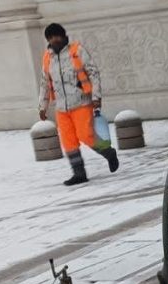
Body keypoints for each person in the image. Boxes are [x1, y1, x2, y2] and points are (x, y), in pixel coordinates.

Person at [38, 23, 119, 186]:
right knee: (68, 141)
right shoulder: (47, 58)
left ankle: (108, 152)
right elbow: (45, 83)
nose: (55, 39)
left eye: (57, 35)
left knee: (86, 135)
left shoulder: (77, 50)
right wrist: (42, 106)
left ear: (63, 35)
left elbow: (93, 73)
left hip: (81, 102)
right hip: (61, 107)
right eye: (51, 37)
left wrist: (96, 96)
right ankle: (79, 173)